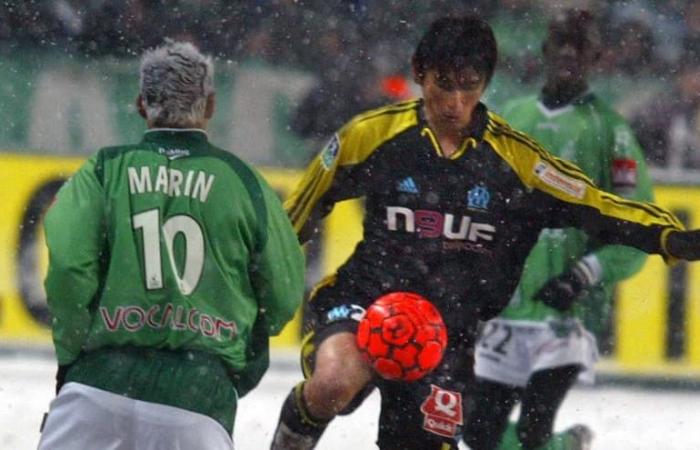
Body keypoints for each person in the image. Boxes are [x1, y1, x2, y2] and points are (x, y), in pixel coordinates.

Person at [270, 14, 700, 450]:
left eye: (469, 85)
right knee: (333, 383)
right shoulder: (371, 135)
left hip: (447, 334)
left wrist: (666, 236)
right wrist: (262, 283)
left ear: (486, 83)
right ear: (419, 74)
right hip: (365, 302)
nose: (455, 101)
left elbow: (597, 204)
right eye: (443, 83)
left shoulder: (518, 161)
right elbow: (297, 214)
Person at [38, 39, 305, 450]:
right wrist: (236, 359)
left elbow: (69, 269)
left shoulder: (104, 169)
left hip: (98, 383)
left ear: (141, 104)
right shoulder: (245, 183)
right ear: (211, 105)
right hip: (199, 398)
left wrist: (75, 352)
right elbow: (284, 296)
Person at [462, 9, 651, 450]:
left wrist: (581, 276)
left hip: (569, 313)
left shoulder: (612, 131)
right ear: (545, 51)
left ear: (596, 57)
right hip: (507, 307)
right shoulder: (508, 118)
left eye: (579, 45)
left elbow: (637, 224)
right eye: (560, 43)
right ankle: (566, 446)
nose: (568, 53)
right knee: (477, 433)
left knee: (532, 428)